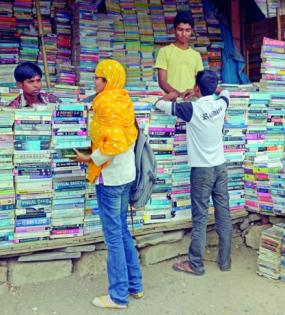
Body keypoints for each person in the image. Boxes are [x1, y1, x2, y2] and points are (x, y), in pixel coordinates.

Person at [73, 59, 143, 309]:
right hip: (126, 174)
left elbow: (112, 145)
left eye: (97, 78)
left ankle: (118, 296)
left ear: (107, 80)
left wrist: (90, 157)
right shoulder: (124, 99)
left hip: (111, 177)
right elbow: (124, 138)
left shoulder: (104, 102)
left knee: (113, 236)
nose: (95, 82)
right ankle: (135, 285)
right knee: (122, 230)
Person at [155, 70, 232, 275]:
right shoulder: (221, 103)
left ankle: (195, 264)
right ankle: (225, 261)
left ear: (197, 88)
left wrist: (169, 96)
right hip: (220, 167)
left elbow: (160, 105)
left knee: (200, 217)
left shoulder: (191, 109)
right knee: (223, 213)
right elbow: (224, 92)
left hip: (202, 171)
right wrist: (207, 88)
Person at [155, 10, 204, 99]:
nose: (184, 34)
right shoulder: (164, 51)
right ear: (174, 30)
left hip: (191, 101)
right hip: (171, 101)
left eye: (187, 30)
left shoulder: (196, 55)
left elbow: (200, 82)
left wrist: (193, 92)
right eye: (180, 29)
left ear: (192, 31)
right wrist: (178, 94)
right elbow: (162, 81)